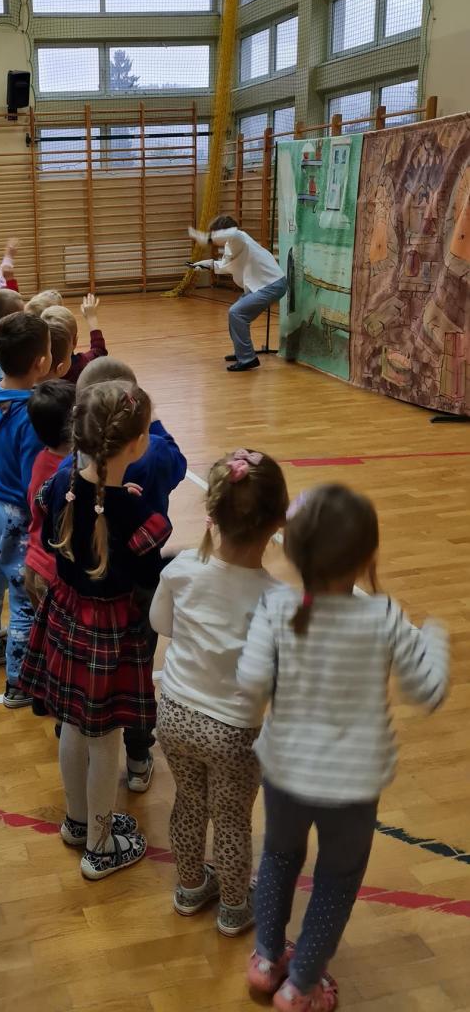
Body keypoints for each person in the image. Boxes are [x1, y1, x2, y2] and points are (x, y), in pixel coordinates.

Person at [238, 485, 449, 1012]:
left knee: (278, 857)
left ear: (294, 551)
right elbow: (428, 691)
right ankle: (301, 985)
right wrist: (436, 639)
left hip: (285, 772)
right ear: (367, 558)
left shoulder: (275, 607)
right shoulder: (384, 617)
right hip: (353, 788)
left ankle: (266, 960)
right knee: (336, 880)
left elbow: (251, 681)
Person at [18, 381, 172, 879]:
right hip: (107, 633)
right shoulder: (135, 512)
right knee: (105, 738)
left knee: (73, 725)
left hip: (65, 618)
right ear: (137, 444)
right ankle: (101, 847)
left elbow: (58, 532)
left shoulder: (59, 485)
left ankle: (78, 822)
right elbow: (147, 574)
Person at [150, 449, 289, 937]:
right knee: (230, 819)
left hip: (175, 714)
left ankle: (190, 888)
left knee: (189, 802)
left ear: (212, 513)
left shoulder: (183, 568)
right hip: (234, 732)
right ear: (277, 524)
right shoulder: (276, 599)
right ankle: (233, 908)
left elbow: (160, 623)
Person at [66, 356, 188, 792]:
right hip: (140, 591)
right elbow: (178, 464)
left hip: (84, 598)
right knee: (136, 679)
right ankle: (137, 758)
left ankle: (77, 742)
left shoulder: (67, 473)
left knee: (87, 673)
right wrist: (152, 424)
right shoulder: (152, 454)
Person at [0, 312, 51, 705]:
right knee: (22, 599)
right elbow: (33, 479)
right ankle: (18, 682)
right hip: (15, 513)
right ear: (42, 362)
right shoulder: (31, 413)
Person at [188, 216, 287, 372]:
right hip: (263, 285)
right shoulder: (232, 244)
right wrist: (208, 264)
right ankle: (242, 352)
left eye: (215, 233)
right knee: (236, 314)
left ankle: (247, 358)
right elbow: (227, 265)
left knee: (237, 313)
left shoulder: (239, 236)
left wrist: (207, 238)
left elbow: (233, 233)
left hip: (271, 284)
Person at [24, 379, 76, 616]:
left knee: (42, 631)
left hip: (34, 562)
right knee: (58, 633)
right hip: (54, 570)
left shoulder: (41, 459)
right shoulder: (70, 473)